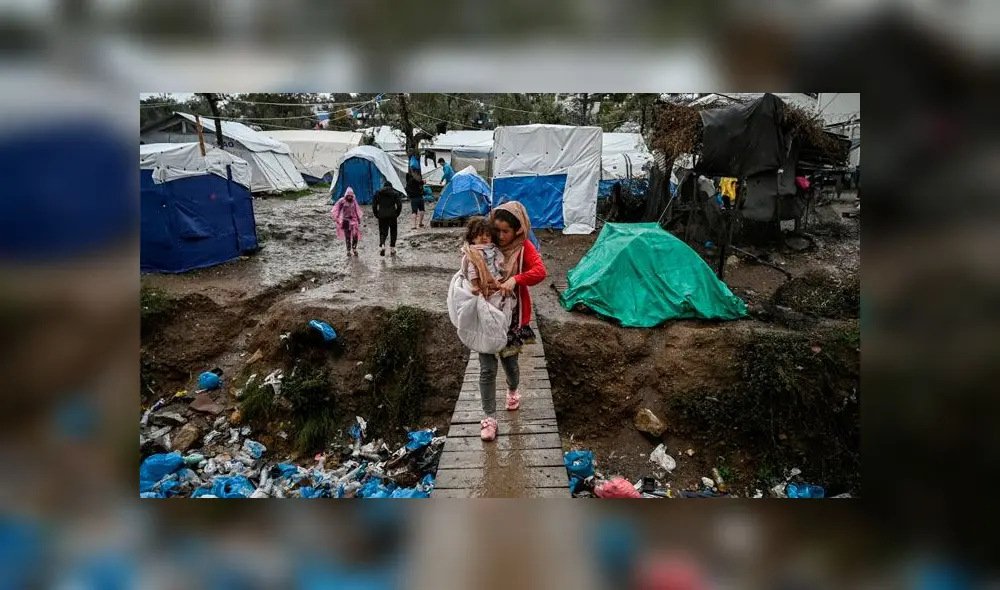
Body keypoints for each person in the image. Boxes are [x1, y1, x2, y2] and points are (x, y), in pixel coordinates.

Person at [477, 201, 547, 442]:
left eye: (505, 231)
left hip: (512, 318)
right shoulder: (487, 244)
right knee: (487, 369)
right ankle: (489, 418)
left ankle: (513, 389)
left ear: (518, 230)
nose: (500, 236)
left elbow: (540, 272)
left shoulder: (524, 247)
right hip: (486, 316)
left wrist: (516, 279)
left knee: (510, 364)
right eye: (496, 230)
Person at [460, 216, 505, 305]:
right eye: (480, 235)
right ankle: (479, 288)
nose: (484, 238)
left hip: (493, 274)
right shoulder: (474, 251)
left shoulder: (492, 247)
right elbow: (471, 268)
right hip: (479, 277)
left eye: (487, 235)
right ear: (472, 238)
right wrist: (475, 285)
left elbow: (499, 259)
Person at [372, 180, 403, 257]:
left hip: (382, 215)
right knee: (393, 231)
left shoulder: (378, 193)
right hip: (392, 215)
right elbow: (399, 205)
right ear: (391, 186)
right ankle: (392, 248)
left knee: (382, 232)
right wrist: (397, 213)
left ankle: (382, 245)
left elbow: (374, 205)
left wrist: (377, 214)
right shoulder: (395, 193)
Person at [331, 187, 363, 257]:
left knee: (355, 235)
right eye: (348, 195)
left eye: (351, 196)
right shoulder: (342, 201)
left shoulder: (354, 201)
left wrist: (358, 219)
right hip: (345, 220)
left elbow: (356, 210)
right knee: (347, 236)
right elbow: (337, 209)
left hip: (354, 220)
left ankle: (354, 248)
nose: (349, 197)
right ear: (346, 195)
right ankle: (348, 250)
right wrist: (337, 217)